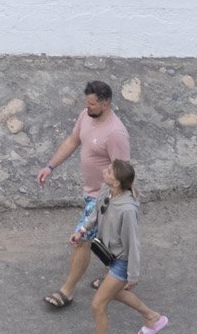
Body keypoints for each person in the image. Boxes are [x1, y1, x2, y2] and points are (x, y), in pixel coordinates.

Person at [40, 80, 132, 309]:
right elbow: (73, 141)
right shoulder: (86, 116)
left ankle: (67, 291)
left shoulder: (115, 133)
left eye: (92, 104)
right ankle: (114, 277)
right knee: (106, 238)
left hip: (103, 197)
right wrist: (50, 167)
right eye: (86, 103)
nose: (87, 107)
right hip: (89, 192)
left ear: (105, 103)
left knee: (81, 239)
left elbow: (123, 172)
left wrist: (111, 202)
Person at [75, 159, 167, 334]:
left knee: (98, 304)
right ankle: (152, 317)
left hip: (122, 263)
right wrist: (82, 230)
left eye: (109, 171)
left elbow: (133, 244)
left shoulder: (127, 210)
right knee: (114, 292)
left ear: (116, 182)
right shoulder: (106, 191)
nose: (104, 171)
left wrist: (132, 276)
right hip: (112, 257)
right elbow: (96, 213)